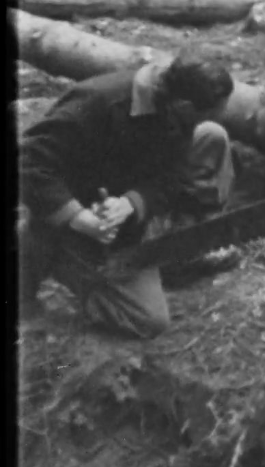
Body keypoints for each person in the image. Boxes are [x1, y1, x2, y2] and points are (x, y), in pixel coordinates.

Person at [18, 53, 242, 338]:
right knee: (148, 319)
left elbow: (173, 174)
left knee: (212, 136)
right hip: (82, 207)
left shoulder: (174, 108)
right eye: (207, 112)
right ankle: (58, 258)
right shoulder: (98, 102)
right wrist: (77, 217)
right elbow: (28, 160)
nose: (214, 117)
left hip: (122, 193)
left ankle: (179, 252)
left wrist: (131, 203)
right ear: (184, 106)